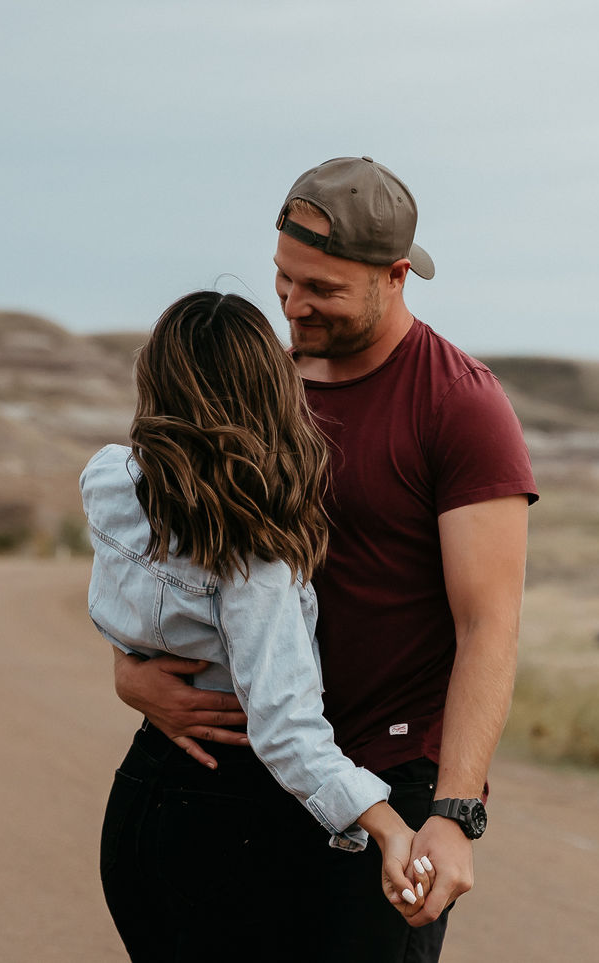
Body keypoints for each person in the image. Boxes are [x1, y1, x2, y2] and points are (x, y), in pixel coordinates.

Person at [113, 157, 539, 962]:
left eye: (322, 290)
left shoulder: (459, 405)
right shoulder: (255, 385)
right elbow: (156, 539)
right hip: (240, 765)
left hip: (384, 772)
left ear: (395, 275)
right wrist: (127, 667)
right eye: (283, 279)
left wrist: (452, 812)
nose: (292, 305)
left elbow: (489, 625)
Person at [82, 291, 433, 962]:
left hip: (141, 799)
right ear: (268, 395)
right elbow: (285, 726)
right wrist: (387, 827)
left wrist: (130, 669)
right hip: (223, 818)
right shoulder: (249, 554)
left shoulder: (107, 479)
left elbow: (121, 605)